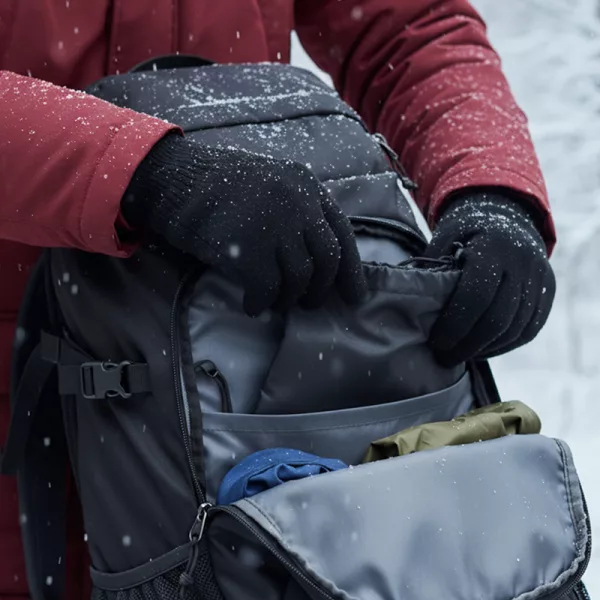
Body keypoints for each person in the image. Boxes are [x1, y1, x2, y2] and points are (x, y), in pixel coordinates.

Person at [0, 0, 556, 597]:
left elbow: (406, 29)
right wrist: (139, 171)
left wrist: (494, 191)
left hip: (240, 395)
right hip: (33, 417)